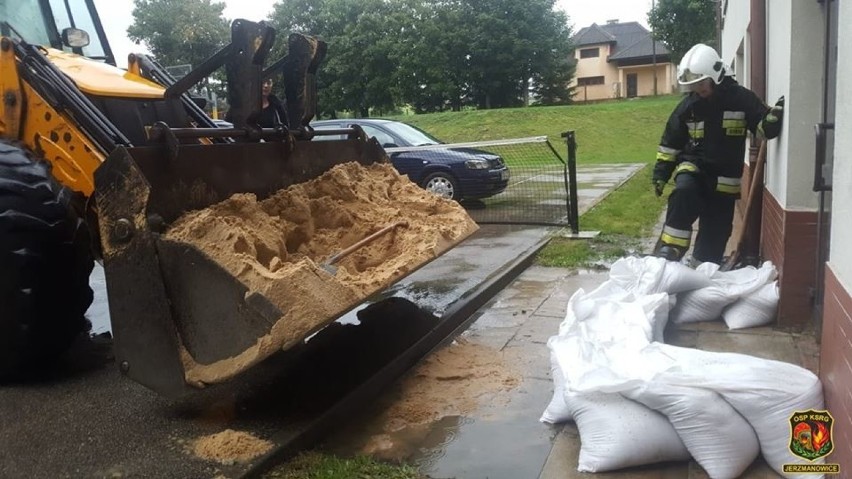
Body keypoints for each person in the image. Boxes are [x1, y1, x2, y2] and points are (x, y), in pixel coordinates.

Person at [651, 43, 785, 265]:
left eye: (702, 83)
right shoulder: (688, 107)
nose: (698, 90)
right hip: (693, 168)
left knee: (716, 230)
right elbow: (670, 143)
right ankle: (670, 251)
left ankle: (701, 266)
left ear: (716, 76)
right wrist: (661, 174)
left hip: (725, 179)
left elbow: (761, 129)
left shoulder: (742, 99)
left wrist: (772, 121)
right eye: (693, 86)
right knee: (683, 192)